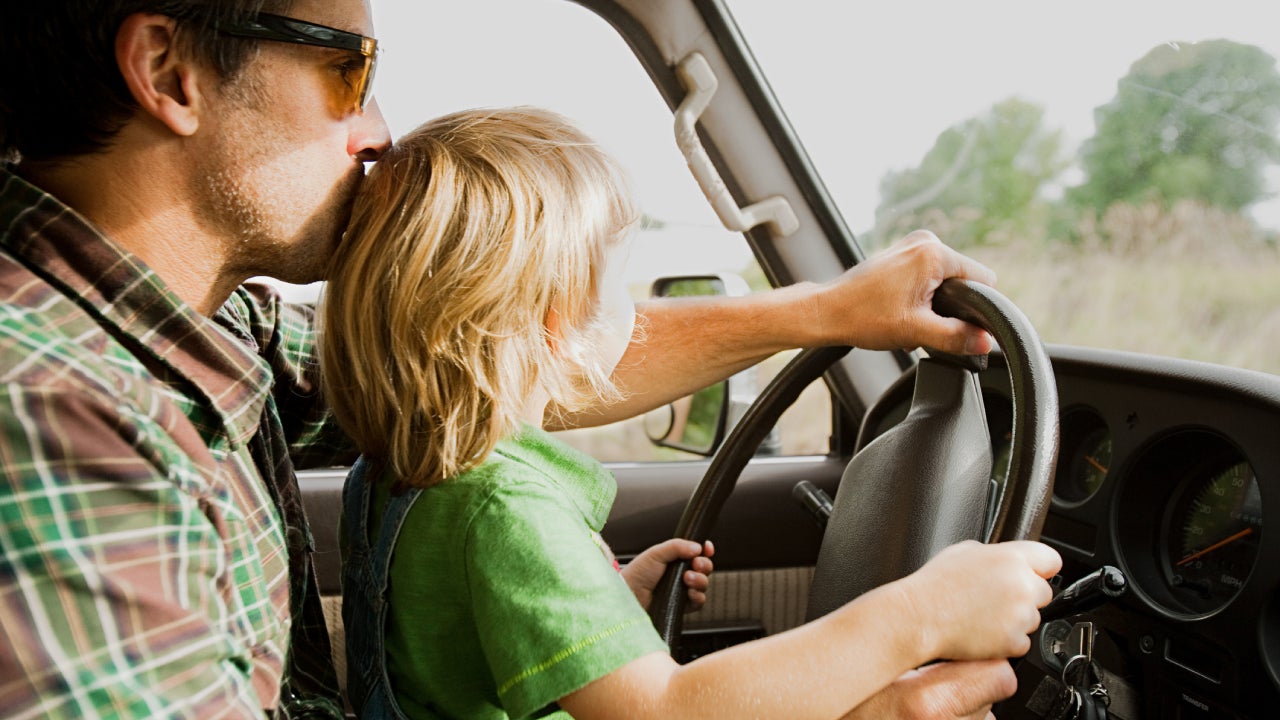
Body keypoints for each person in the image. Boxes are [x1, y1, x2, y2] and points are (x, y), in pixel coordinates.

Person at [0, 1, 1036, 717]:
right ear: (170, 72)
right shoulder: (47, 410)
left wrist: (827, 312)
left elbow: (496, 359)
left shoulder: (215, 338)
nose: (378, 130)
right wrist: (913, 618)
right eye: (346, 70)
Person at [320, 106, 1062, 720]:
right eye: (616, 284)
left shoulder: (390, 473)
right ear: (560, 327)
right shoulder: (508, 509)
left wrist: (605, 607)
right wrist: (920, 615)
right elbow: (668, 711)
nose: (632, 307)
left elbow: (447, 649)